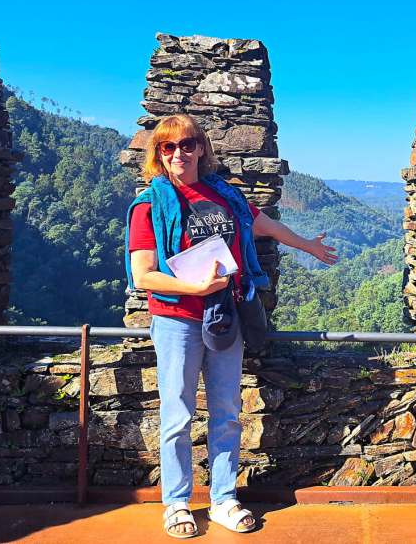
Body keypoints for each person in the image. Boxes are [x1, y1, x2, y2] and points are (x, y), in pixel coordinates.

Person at [124, 114, 337, 538]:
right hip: (176, 319)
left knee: (226, 413)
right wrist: (194, 286)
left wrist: (308, 245)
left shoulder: (226, 196)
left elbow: (265, 226)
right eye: (168, 147)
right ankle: (178, 504)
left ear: (201, 148)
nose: (178, 154)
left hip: (226, 315)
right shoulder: (150, 206)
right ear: (158, 155)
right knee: (177, 414)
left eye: (186, 144)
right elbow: (143, 274)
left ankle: (223, 498)